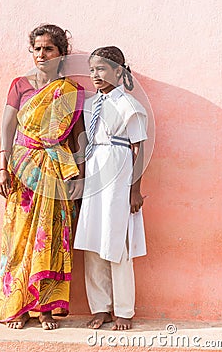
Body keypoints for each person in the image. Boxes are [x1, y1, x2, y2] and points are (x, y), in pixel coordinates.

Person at [0, 24, 85, 330]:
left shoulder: (70, 91)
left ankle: (45, 309)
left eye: (49, 49)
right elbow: (7, 128)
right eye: (37, 48)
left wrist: (80, 172)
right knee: (19, 236)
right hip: (22, 168)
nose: (42, 54)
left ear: (62, 53)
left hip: (56, 170)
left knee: (49, 239)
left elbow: (78, 135)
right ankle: (17, 305)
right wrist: (1, 167)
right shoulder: (20, 85)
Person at [74, 46, 148, 331]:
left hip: (118, 177)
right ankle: (100, 307)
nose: (96, 75)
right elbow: (84, 144)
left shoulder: (130, 106)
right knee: (93, 243)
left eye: (102, 69)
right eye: (92, 70)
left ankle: (124, 310)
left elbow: (139, 149)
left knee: (117, 243)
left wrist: (134, 190)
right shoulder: (90, 105)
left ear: (119, 71)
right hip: (94, 175)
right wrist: (81, 180)